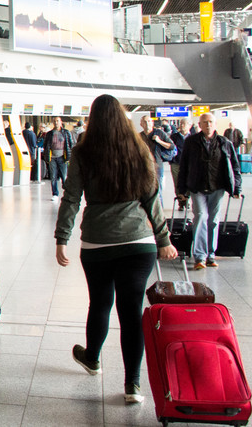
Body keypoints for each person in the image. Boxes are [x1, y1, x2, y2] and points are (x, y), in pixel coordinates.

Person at [54, 94, 177, 406]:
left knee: (100, 303)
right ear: (123, 117)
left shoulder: (83, 150)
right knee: (131, 311)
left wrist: (61, 238)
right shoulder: (139, 148)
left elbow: (71, 197)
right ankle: (133, 385)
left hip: (98, 243)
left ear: (94, 118)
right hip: (139, 244)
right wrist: (163, 240)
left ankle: (93, 358)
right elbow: (152, 199)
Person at [175, 112, 242, 270]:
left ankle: (211, 254)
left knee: (213, 220)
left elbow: (235, 166)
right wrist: (182, 190)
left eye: (211, 122)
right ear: (200, 125)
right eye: (204, 122)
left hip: (217, 187)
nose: (208, 125)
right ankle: (200, 256)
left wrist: (237, 187)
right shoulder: (191, 142)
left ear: (215, 124)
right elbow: (183, 166)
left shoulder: (224, 142)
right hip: (196, 187)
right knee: (200, 217)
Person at [139, 116, 174, 196]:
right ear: (141, 124)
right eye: (144, 122)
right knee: (145, 190)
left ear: (152, 123)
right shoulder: (139, 136)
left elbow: (171, 146)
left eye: (149, 121)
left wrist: (159, 141)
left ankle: (159, 207)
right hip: (144, 166)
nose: (147, 123)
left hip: (157, 166)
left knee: (158, 191)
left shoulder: (159, 133)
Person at [44, 117, 75, 201]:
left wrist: (69, 156)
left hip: (63, 157)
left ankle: (67, 193)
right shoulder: (50, 134)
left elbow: (70, 144)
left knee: (64, 176)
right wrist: (47, 156)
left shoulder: (66, 132)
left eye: (57, 121)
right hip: (52, 158)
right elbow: (46, 145)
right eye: (54, 121)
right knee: (53, 176)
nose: (56, 123)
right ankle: (55, 194)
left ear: (61, 122)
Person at [169, 118, 190, 209]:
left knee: (188, 182)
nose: (181, 126)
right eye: (181, 124)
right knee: (177, 183)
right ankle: (181, 203)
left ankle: (186, 199)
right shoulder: (174, 137)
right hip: (176, 163)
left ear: (190, 125)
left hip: (189, 164)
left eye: (184, 124)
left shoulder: (193, 137)